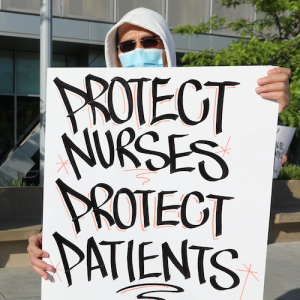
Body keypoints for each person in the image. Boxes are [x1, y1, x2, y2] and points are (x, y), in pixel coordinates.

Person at [27, 7, 291, 280]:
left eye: (149, 41)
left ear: (166, 46)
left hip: (187, 269)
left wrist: (267, 107)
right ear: (115, 54)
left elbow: (237, 171)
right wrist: (47, 237)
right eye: (127, 45)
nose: (138, 50)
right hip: (114, 273)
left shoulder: (203, 109)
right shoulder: (89, 120)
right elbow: (80, 189)